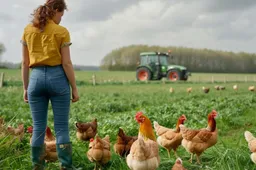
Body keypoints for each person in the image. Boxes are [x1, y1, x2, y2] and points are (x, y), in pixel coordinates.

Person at [20, 0, 79, 169]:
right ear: (56, 10)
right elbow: (67, 63)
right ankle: (66, 166)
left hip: (35, 79)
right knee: (61, 127)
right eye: (61, 14)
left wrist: (25, 87)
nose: (61, 18)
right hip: (58, 78)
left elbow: (25, 63)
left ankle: (37, 166)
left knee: (38, 126)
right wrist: (74, 88)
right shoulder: (61, 31)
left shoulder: (28, 30)